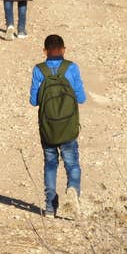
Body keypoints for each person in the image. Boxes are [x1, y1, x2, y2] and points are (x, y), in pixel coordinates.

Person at [29, 34, 87, 218]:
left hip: (48, 128)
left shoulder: (39, 70)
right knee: (72, 163)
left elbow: (33, 101)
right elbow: (81, 98)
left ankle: (49, 206)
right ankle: (73, 190)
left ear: (44, 51)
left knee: (50, 164)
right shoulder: (71, 67)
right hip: (68, 126)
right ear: (64, 50)